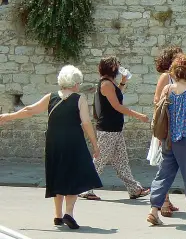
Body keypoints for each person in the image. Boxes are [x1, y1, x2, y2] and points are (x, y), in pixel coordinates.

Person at [0, 65, 102, 230]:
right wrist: (95, 145)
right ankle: (68, 213)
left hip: (53, 142)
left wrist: (8, 117)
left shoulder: (51, 97)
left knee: (57, 174)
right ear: (75, 83)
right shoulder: (79, 98)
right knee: (73, 176)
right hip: (73, 143)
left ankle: (57, 215)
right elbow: (86, 123)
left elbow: (29, 110)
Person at [147, 55, 186, 226]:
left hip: (168, 139)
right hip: (185, 139)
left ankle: (154, 209)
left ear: (174, 73)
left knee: (164, 175)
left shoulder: (167, 89)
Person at [80, 56, 150, 201]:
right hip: (108, 129)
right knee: (100, 159)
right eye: (117, 65)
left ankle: (134, 189)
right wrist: (138, 116)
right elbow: (117, 106)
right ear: (112, 68)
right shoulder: (105, 84)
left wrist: (123, 82)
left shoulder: (110, 83)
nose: (119, 68)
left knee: (121, 161)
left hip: (114, 129)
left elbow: (117, 95)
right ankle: (85, 188)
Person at [147, 46, 183, 217]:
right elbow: (157, 100)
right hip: (166, 126)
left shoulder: (179, 77)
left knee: (169, 164)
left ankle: (165, 200)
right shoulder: (165, 77)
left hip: (175, 127)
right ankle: (164, 202)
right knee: (164, 165)